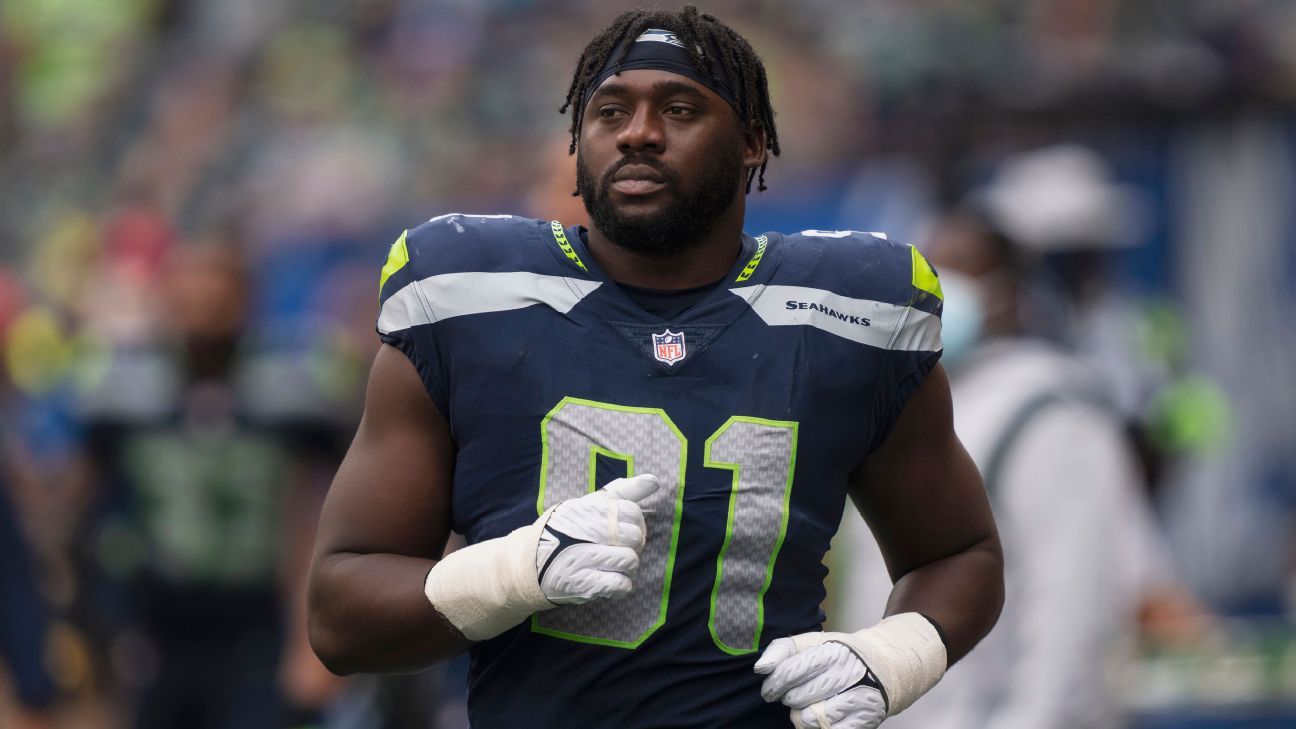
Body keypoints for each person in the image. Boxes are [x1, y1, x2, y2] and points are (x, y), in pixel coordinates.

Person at [308, 7, 1004, 729]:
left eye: (679, 108)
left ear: (753, 143)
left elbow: (962, 552)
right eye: (610, 110)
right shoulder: (465, 299)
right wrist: (513, 572)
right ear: (579, 140)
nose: (638, 132)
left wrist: (894, 655)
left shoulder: (847, 310)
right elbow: (339, 613)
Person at [835, 210, 1195, 729]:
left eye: (957, 269)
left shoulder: (1050, 411)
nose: (933, 286)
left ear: (1005, 292)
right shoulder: (912, 402)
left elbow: (1071, 611)